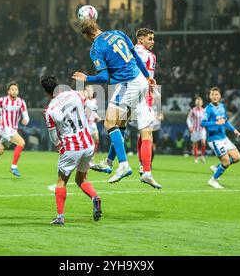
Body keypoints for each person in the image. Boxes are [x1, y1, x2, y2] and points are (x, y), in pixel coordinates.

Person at [72, 19, 159, 188]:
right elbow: (135, 57)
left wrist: (86, 78)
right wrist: (147, 76)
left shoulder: (96, 48)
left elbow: (104, 78)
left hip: (128, 84)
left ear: (86, 35)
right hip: (141, 81)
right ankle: (109, 162)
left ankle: (124, 164)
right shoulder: (118, 33)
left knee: (109, 123)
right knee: (121, 124)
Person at [41, 75, 101, 225]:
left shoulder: (49, 111)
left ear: (46, 92)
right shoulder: (74, 94)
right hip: (88, 144)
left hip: (71, 147)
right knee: (81, 179)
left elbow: (54, 137)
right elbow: (93, 107)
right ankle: (95, 197)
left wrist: (58, 145)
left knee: (61, 181)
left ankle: (60, 217)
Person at [201, 87, 240, 189]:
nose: (214, 96)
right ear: (210, 96)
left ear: (220, 96)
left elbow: (225, 121)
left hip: (224, 138)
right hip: (215, 139)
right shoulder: (208, 109)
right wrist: (215, 122)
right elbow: (203, 123)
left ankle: (217, 168)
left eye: (216, 94)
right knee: (226, 162)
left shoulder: (222, 106)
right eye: (212, 94)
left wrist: (234, 130)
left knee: (237, 158)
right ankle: (212, 180)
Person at [84, 85, 102, 167]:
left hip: (92, 123)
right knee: (87, 142)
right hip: (85, 124)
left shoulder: (94, 100)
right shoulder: (84, 100)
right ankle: (86, 159)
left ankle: (91, 157)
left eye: (91, 90)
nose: (90, 92)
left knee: (96, 139)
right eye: (89, 90)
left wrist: (96, 116)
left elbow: (93, 111)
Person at [187, 97, 207, 163]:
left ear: (202, 103)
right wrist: (190, 126)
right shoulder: (193, 110)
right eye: (197, 102)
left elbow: (206, 119)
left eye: (200, 102)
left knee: (203, 142)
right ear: (196, 103)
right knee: (195, 144)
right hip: (195, 129)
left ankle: (202, 156)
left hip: (202, 129)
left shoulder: (204, 111)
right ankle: (196, 157)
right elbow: (188, 119)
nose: (198, 103)